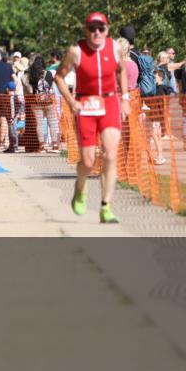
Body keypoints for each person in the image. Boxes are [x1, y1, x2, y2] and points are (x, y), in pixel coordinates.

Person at [54, 12, 129, 224]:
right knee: (88, 160)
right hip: (85, 105)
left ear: (107, 30)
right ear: (86, 30)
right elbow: (59, 77)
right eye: (92, 28)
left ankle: (106, 206)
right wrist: (71, 101)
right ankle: (80, 188)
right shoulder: (76, 51)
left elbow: (121, 70)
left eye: (101, 28)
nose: (96, 33)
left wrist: (125, 98)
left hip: (110, 102)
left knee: (111, 153)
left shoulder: (114, 48)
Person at [25, 54, 58, 152]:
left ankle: (42, 146)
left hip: (36, 102)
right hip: (48, 100)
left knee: (39, 124)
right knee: (52, 122)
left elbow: (30, 90)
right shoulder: (49, 73)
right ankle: (55, 145)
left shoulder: (31, 75)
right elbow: (51, 87)